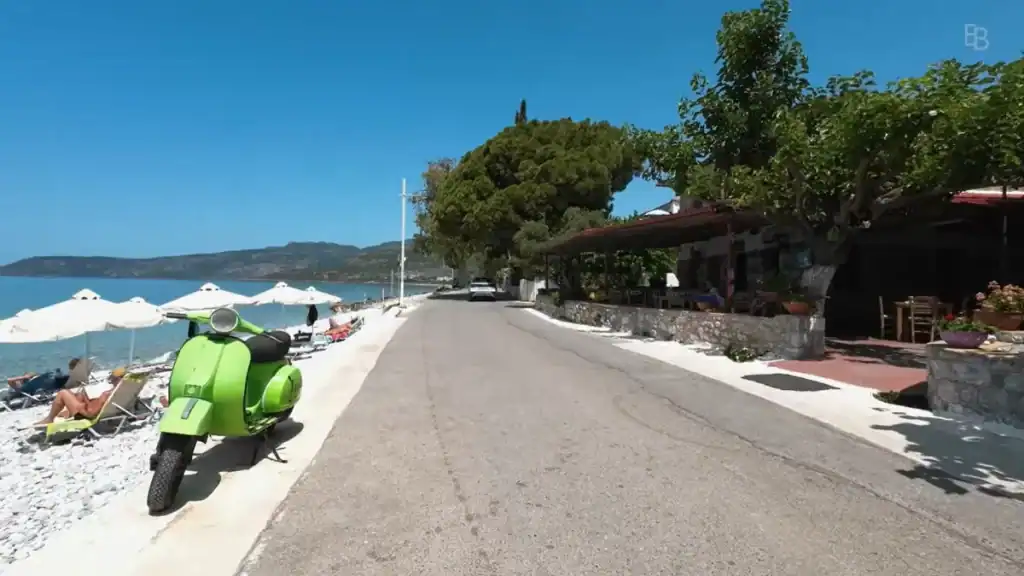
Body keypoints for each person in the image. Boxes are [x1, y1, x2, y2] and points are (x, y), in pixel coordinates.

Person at [35, 366, 126, 425]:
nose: (111, 380)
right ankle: (65, 413)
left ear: (116, 379)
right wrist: (86, 399)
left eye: (112, 378)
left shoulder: (107, 394)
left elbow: (91, 413)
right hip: (101, 410)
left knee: (63, 393)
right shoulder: (121, 390)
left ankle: (50, 418)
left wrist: (83, 405)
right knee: (79, 395)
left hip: (85, 416)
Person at [1, 358, 77, 403]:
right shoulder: (20, 389)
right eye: (16, 382)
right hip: (50, 384)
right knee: (60, 380)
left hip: (49, 384)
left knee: (59, 379)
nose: (17, 382)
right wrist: (24, 377)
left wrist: (29, 377)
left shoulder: (27, 385)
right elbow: (9, 380)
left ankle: (75, 376)